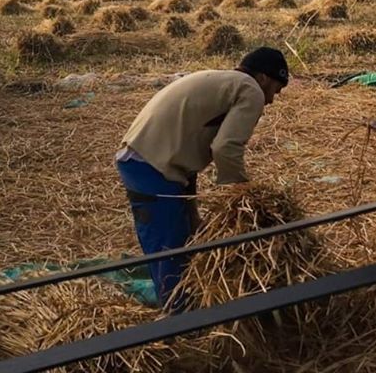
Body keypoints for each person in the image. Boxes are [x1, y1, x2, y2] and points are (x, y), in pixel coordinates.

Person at [115, 47, 289, 310]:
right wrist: (243, 195)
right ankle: (181, 318)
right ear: (264, 78)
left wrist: (193, 211)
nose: (272, 100)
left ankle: (178, 304)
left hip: (143, 157)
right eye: (276, 89)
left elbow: (192, 141)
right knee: (171, 248)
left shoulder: (222, 80)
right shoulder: (251, 89)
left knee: (181, 238)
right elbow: (225, 148)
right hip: (151, 165)